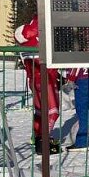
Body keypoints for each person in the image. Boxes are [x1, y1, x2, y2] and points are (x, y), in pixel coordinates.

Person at [14, 14, 61, 155]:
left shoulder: (27, 40)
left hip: (36, 79)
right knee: (53, 112)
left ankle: (40, 138)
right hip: (45, 79)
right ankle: (43, 141)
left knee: (41, 112)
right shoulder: (38, 37)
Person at [64, 67, 89, 151]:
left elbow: (77, 60)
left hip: (83, 75)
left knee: (83, 108)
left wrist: (71, 78)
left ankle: (82, 142)